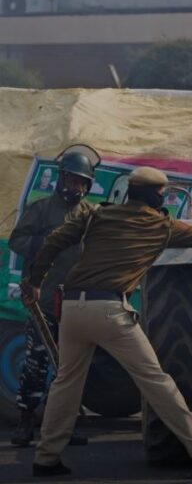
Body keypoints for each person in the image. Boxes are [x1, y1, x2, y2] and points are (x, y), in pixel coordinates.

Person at [22, 166, 192, 478]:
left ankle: (46, 458)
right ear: (156, 196)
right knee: (156, 381)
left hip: (72, 308)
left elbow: (55, 240)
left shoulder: (96, 215)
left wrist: (36, 280)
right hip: (110, 311)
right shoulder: (161, 225)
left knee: (65, 384)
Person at [9, 149, 98, 448]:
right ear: (60, 179)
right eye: (72, 180)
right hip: (42, 300)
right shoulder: (41, 209)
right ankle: (25, 423)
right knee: (35, 364)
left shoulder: (90, 214)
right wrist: (45, 242)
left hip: (75, 301)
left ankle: (62, 427)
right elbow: (17, 240)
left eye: (81, 183)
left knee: (69, 369)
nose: (76, 187)